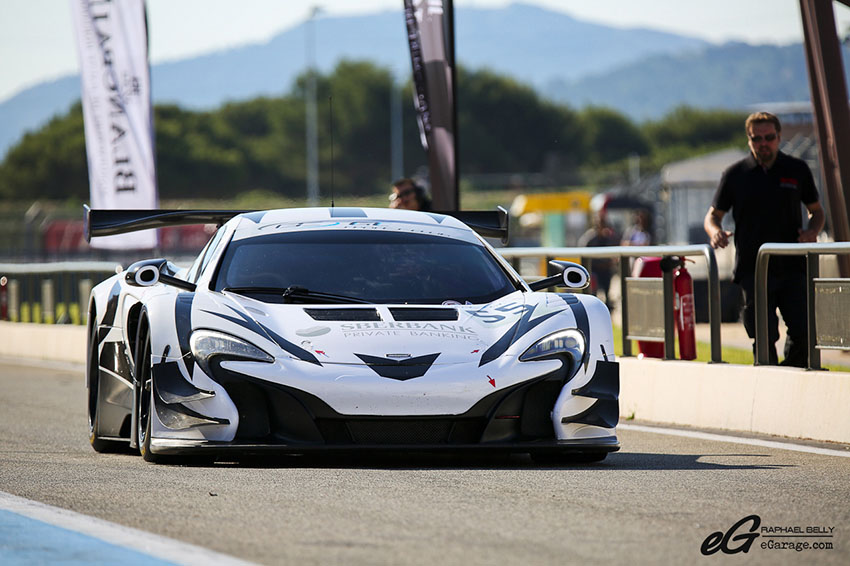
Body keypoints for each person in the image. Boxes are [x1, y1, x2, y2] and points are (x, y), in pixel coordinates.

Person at [703, 111, 824, 367]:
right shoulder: (735, 174)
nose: (763, 143)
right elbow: (712, 216)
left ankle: (790, 374)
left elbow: (817, 211)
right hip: (753, 269)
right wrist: (716, 233)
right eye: (756, 138)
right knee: (762, 334)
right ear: (749, 140)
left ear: (779, 137)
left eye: (769, 137)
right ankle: (768, 377)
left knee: (804, 331)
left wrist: (812, 230)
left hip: (792, 266)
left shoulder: (796, 169)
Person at [578, 213, 618, 309]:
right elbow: (582, 250)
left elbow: (614, 252)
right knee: (593, 293)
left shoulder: (608, 237)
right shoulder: (590, 237)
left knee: (607, 292)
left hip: (606, 270)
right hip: (594, 270)